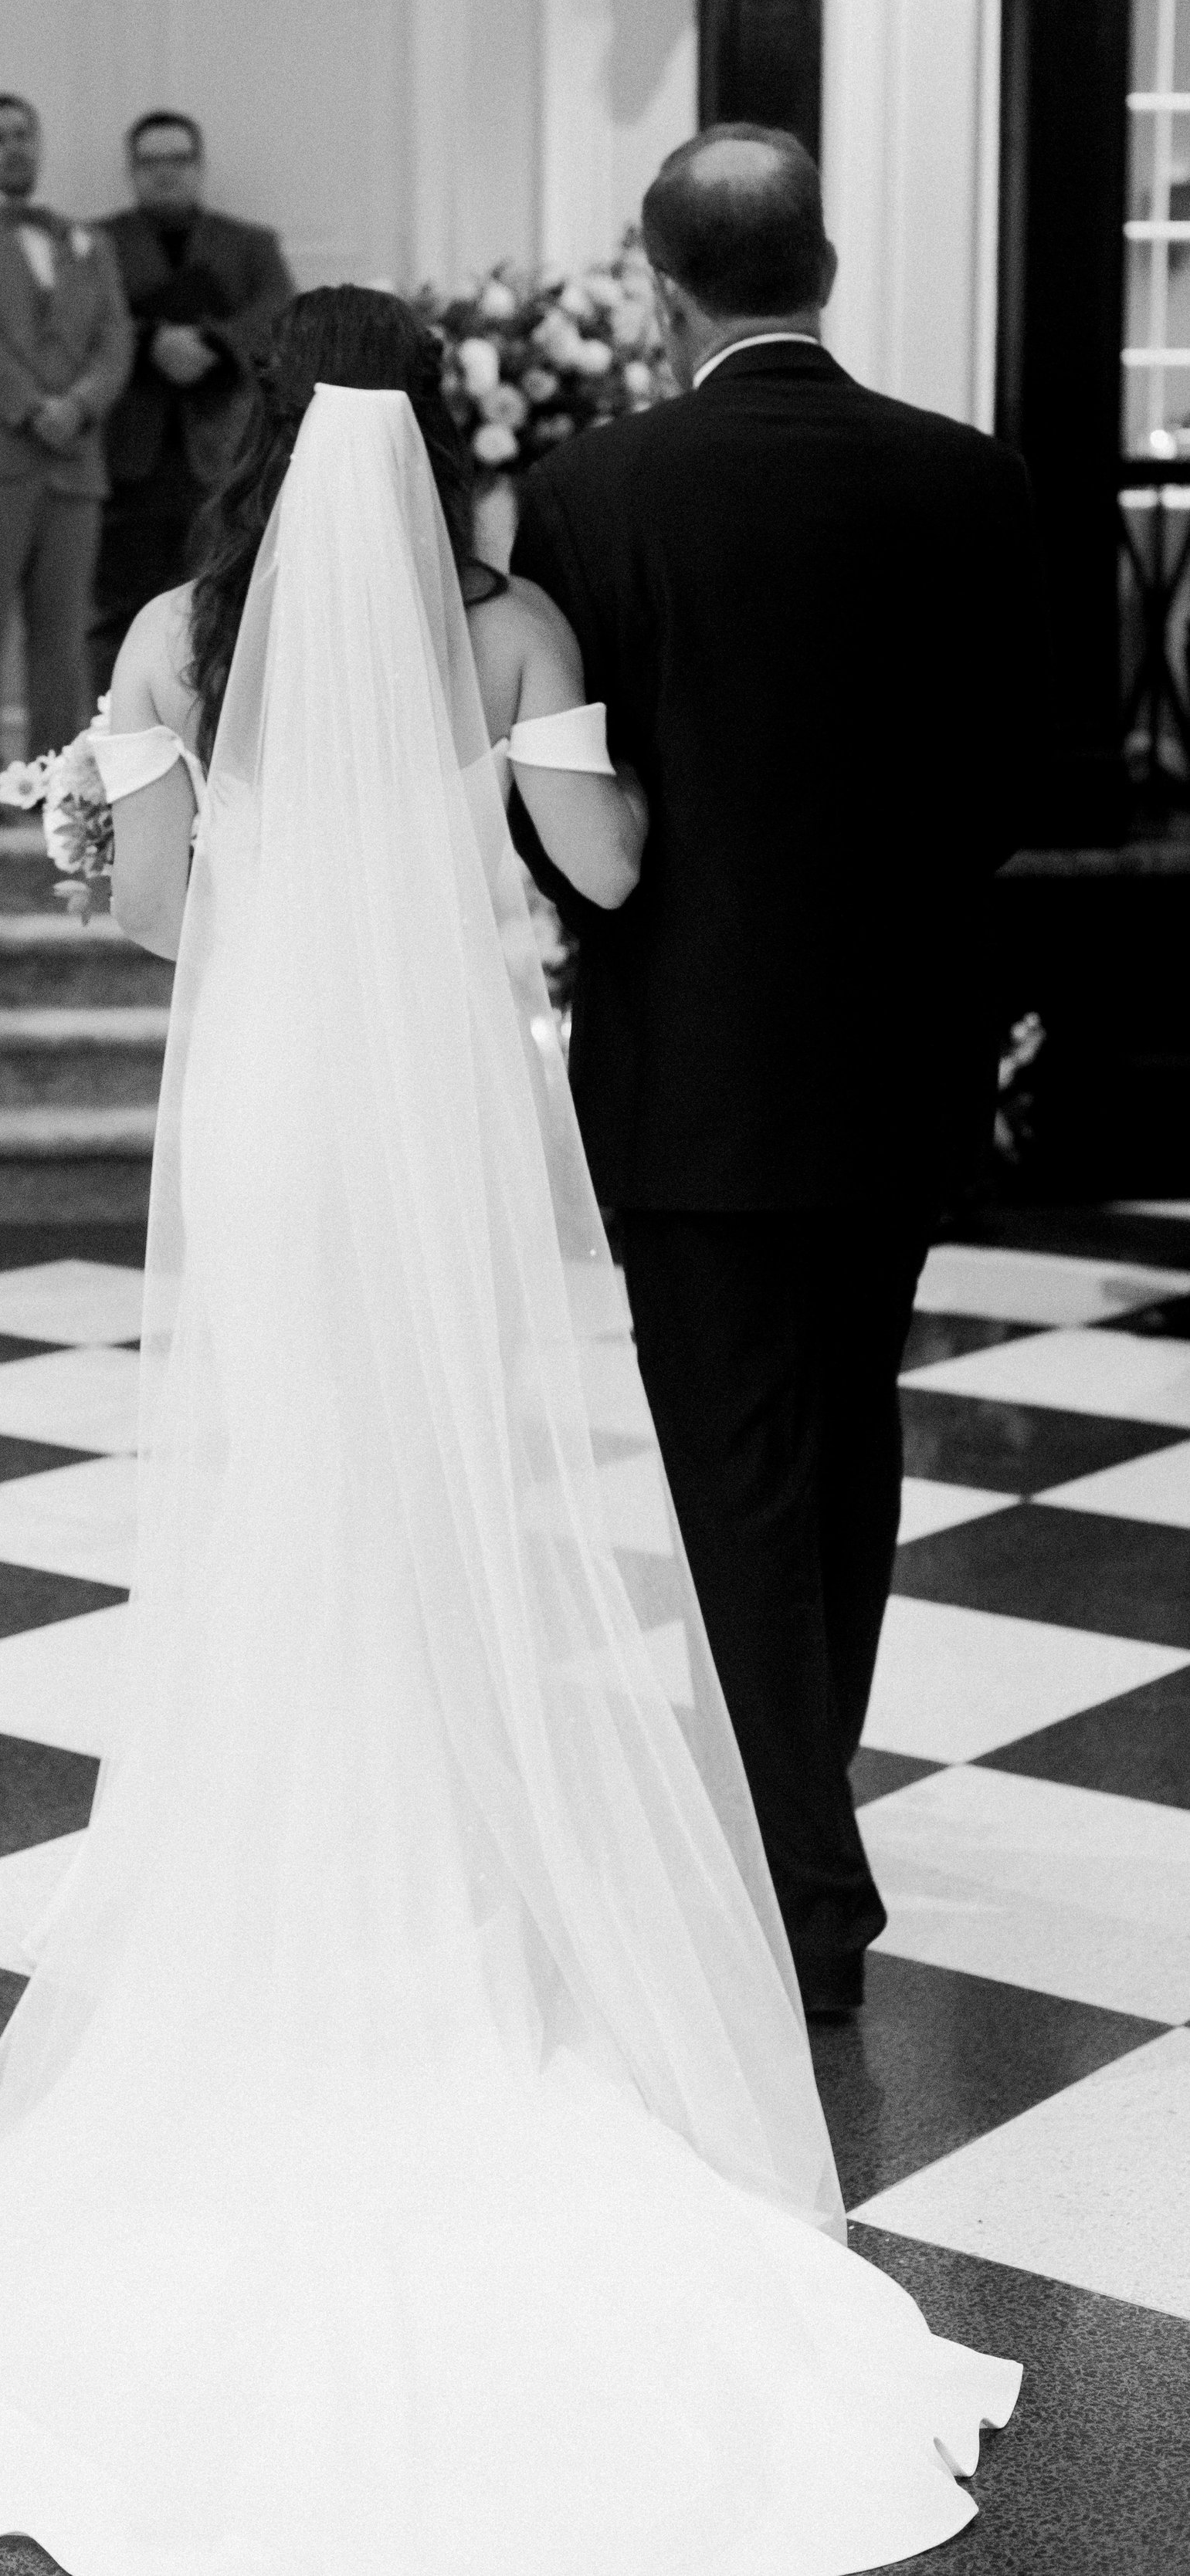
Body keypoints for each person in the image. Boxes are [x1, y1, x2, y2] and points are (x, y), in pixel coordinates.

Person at [0, 287, 1017, 2570]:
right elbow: (605, 872)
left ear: (245, 428)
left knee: (279, 1499)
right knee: (435, 1490)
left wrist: (145, 832)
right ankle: (435, 1914)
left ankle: (273, 1908)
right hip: (432, 1120)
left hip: (259, 1115)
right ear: (433, 434)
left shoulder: (165, 631)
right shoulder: (506, 622)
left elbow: (152, 912)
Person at [507, 124, 1044, 2018]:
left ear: (664, 288)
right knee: (848, 1437)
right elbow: (1030, 778)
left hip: (690, 1061)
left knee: (739, 1461)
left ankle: (804, 1889)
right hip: (904, 1047)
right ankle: (798, 1829)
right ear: (829, 260)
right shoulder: (971, 481)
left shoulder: (589, 490)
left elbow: (565, 800)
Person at [0, 93, 133, 819]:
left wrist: (77, 406)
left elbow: (115, 338)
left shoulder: (86, 240)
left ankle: (56, 775)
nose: (14, 148)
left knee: (63, 631)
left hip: (75, 461)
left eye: (24, 135)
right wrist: (31, 407)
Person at [88, 110, 294, 692]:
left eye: (178, 159)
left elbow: (280, 319)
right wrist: (151, 341)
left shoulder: (252, 244)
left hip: (224, 459)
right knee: (116, 615)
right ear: (131, 171)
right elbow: (76, 327)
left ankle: (215, 748)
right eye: (151, 162)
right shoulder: (94, 242)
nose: (165, 173)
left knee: (223, 610)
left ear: (199, 167)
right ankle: (109, 746)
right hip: (125, 461)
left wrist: (209, 343)